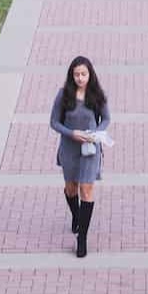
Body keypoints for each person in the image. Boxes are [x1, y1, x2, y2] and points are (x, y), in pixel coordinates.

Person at [49, 55, 111, 258]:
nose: (80, 78)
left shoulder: (97, 95)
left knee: (87, 188)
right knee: (71, 188)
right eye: (76, 74)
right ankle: (76, 216)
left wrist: (95, 133)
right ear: (71, 76)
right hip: (70, 148)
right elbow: (54, 123)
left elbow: (106, 119)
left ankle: (82, 237)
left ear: (90, 74)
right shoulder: (63, 95)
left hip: (90, 150)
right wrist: (72, 133)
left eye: (83, 74)